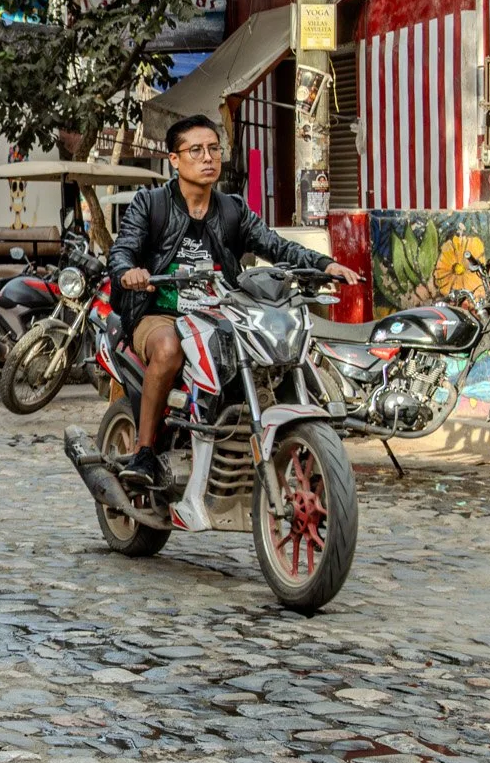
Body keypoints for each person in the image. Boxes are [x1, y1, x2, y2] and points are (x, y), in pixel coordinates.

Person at [106, 113, 359, 486]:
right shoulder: (151, 204)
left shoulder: (232, 209)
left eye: (213, 149)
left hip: (220, 314)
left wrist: (324, 264)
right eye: (196, 150)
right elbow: (122, 251)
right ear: (174, 160)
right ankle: (145, 452)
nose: (208, 158)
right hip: (160, 312)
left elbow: (274, 245)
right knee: (169, 348)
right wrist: (130, 271)